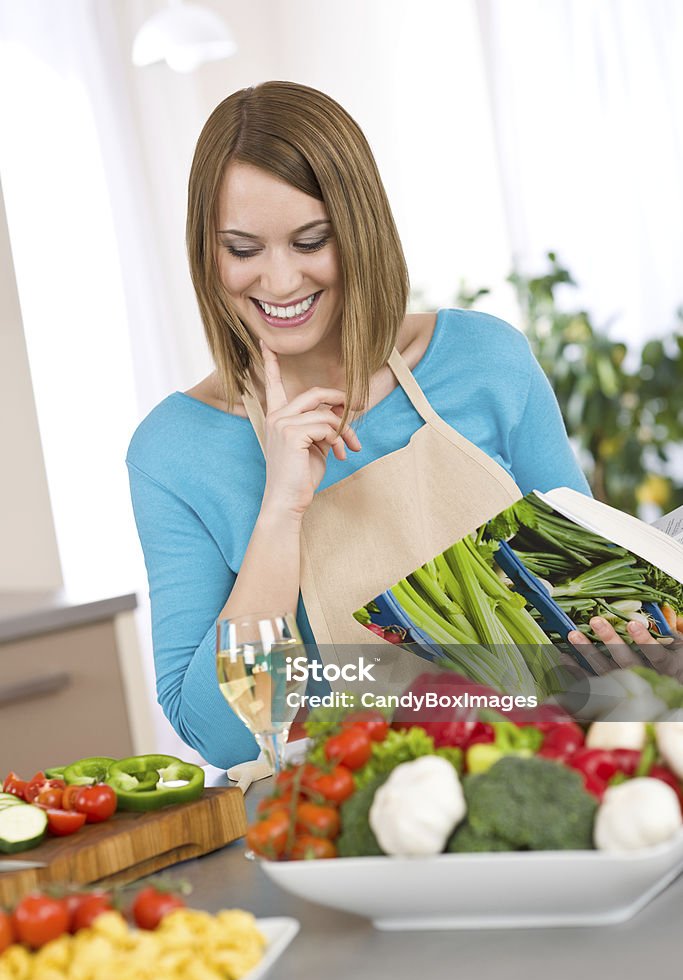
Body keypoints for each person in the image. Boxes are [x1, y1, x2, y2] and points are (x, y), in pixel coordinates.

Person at [126, 81, 594, 770]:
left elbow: (602, 600)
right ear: (207, 252)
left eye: (310, 241)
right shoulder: (175, 450)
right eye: (242, 248)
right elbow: (226, 736)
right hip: (362, 818)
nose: (279, 281)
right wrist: (280, 508)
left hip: (554, 774)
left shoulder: (483, 359)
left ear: (360, 229)